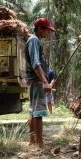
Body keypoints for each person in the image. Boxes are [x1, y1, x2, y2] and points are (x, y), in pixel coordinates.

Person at [25, 18, 55, 148]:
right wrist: (45, 81)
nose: (48, 33)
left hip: (34, 81)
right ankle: (40, 143)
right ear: (41, 29)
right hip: (37, 81)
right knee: (38, 113)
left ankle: (33, 140)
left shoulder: (34, 41)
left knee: (33, 111)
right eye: (47, 30)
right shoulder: (34, 40)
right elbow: (36, 63)